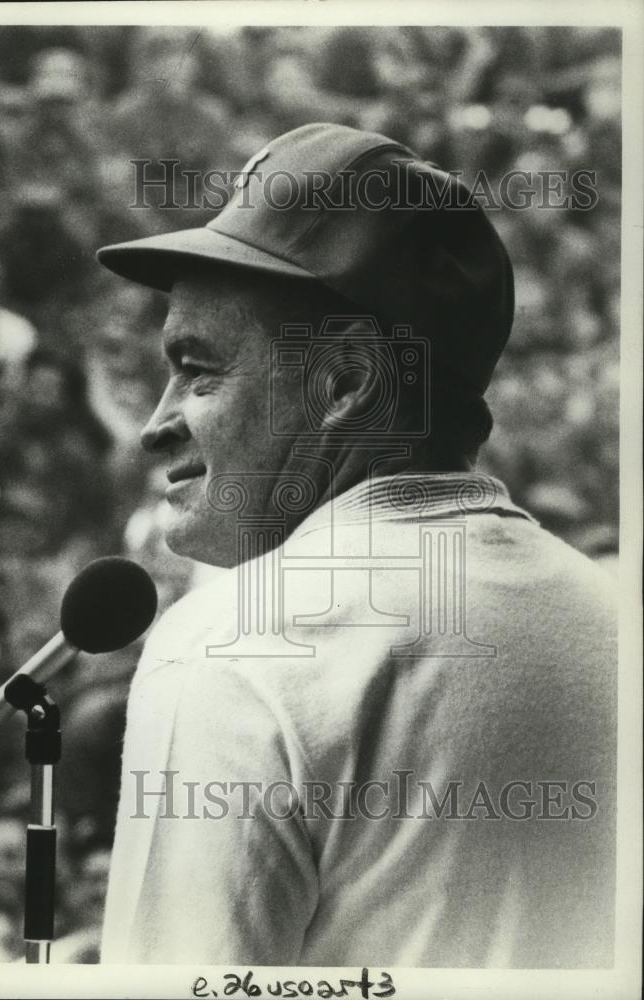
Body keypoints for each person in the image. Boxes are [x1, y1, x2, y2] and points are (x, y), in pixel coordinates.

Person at [94, 123, 616, 968]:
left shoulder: (235, 648)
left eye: (198, 371)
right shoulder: (606, 611)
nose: (154, 427)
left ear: (346, 385)